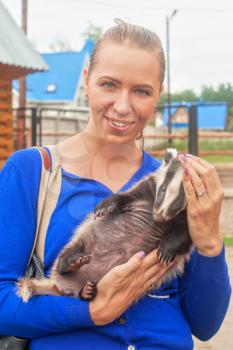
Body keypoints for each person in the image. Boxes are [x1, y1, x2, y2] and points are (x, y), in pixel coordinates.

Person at [0, 20, 231, 350]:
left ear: (158, 95)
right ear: (86, 82)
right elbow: (3, 301)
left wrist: (209, 241)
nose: (123, 106)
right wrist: (92, 311)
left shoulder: (175, 182)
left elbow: (206, 324)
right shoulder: (31, 172)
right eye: (109, 84)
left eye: (141, 91)